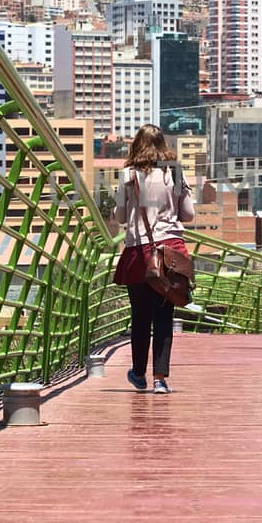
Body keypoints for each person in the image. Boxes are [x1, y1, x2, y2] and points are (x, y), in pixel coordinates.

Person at [114, 124, 195, 393]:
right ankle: (160, 378)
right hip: (169, 250)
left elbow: (122, 217)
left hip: (139, 253)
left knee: (140, 317)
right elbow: (188, 215)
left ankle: (138, 374)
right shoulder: (175, 171)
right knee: (164, 315)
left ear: (136, 144)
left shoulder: (128, 174)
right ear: (163, 145)